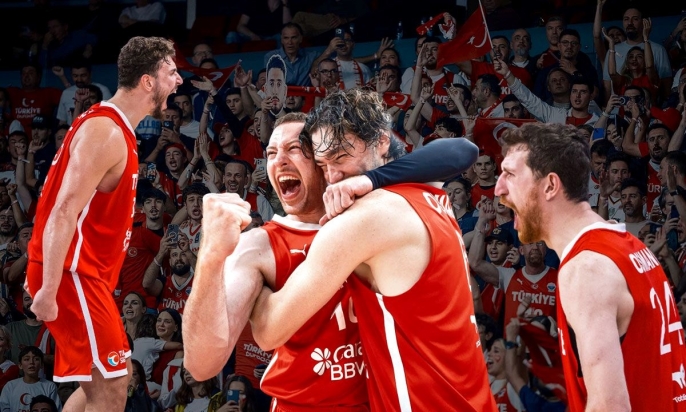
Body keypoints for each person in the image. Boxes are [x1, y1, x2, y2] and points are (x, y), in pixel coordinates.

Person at [184, 111, 478, 409]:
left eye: (294, 149)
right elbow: (202, 365)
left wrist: (371, 178)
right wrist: (210, 256)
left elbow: (461, 150)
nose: (279, 160)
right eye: (271, 153)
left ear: (323, 160)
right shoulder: (259, 245)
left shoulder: (378, 211)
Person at [249, 90, 494, 410]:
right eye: (322, 165)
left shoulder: (364, 219)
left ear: (381, 142)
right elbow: (461, 150)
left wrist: (251, 266)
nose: (333, 178)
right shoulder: (428, 189)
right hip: (471, 397)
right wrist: (372, 179)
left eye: (340, 158)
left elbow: (269, 331)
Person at [25, 36, 183, 412]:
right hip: (72, 274)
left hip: (83, 275)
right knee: (112, 387)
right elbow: (63, 210)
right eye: (172, 72)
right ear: (148, 81)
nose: (179, 81)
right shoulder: (106, 132)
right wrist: (48, 287)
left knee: (111, 379)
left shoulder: (111, 127)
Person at [493, 122, 686, 410]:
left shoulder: (586, 269)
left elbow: (610, 405)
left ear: (550, 186)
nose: (499, 189)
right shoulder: (626, 245)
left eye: (510, 174)